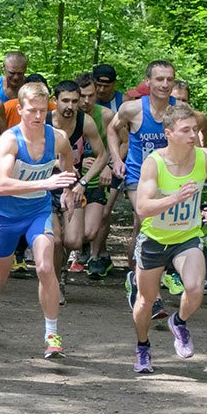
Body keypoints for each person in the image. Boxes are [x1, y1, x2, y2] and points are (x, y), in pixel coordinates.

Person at [0, 82, 79, 359]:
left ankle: (52, 334)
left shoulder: (57, 137)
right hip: (8, 216)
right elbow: (1, 185)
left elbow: (68, 159)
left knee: (46, 266)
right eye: (31, 110)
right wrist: (48, 182)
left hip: (38, 212)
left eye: (42, 110)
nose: (37, 116)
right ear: (21, 109)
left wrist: (69, 188)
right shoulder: (10, 140)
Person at [128, 103, 207, 373]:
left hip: (187, 237)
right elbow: (143, 208)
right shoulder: (154, 163)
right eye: (185, 130)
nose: (193, 135)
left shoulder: (206, 158)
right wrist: (175, 198)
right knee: (146, 301)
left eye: (194, 129)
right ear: (169, 133)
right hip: (154, 239)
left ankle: (179, 322)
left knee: (195, 288)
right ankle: (143, 347)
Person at [108, 61, 184, 318]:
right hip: (137, 176)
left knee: (146, 230)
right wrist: (117, 159)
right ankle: (154, 299)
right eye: (160, 79)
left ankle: (135, 276)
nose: (165, 84)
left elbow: (193, 134)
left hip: (167, 179)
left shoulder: (180, 111)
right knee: (149, 221)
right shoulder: (132, 109)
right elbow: (111, 129)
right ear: (148, 81)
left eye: (170, 80)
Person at [47, 80, 107, 280]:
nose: (70, 106)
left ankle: (59, 265)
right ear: (55, 101)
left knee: (73, 241)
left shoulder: (85, 122)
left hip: (71, 185)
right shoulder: (44, 122)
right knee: (55, 240)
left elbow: (102, 155)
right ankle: (57, 282)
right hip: (45, 185)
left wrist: (84, 182)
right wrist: (58, 163)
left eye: (74, 101)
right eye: (65, 101)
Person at [75, 72, 118, 277]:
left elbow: (122, 142)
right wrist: (79, 160)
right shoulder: (67, 115)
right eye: (82, 96)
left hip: (101, 176)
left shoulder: (107, 116)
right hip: (73, 176)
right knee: (78, 231)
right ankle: (77, 253)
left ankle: (95, 257)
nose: (86, 101)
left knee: (98, 222)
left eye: (91, 96)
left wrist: (111, 164)